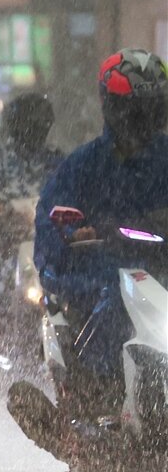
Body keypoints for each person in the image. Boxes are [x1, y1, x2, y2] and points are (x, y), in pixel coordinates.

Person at [26, 49, 168, 426]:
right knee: (116, 296)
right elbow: (52, 222)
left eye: (154, 107)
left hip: (162, 265)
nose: (146, 119)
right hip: (104, 269)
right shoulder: (83, 165)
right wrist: (74, 237)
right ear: (114, 108)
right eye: (137, 109)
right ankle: (99, 397)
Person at [0, 92, 63, 288]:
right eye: (31, 125)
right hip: (2, 253)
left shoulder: (56, 161)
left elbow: (75, 192)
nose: (35, 131)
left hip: (47, 250)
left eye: (41, 125)